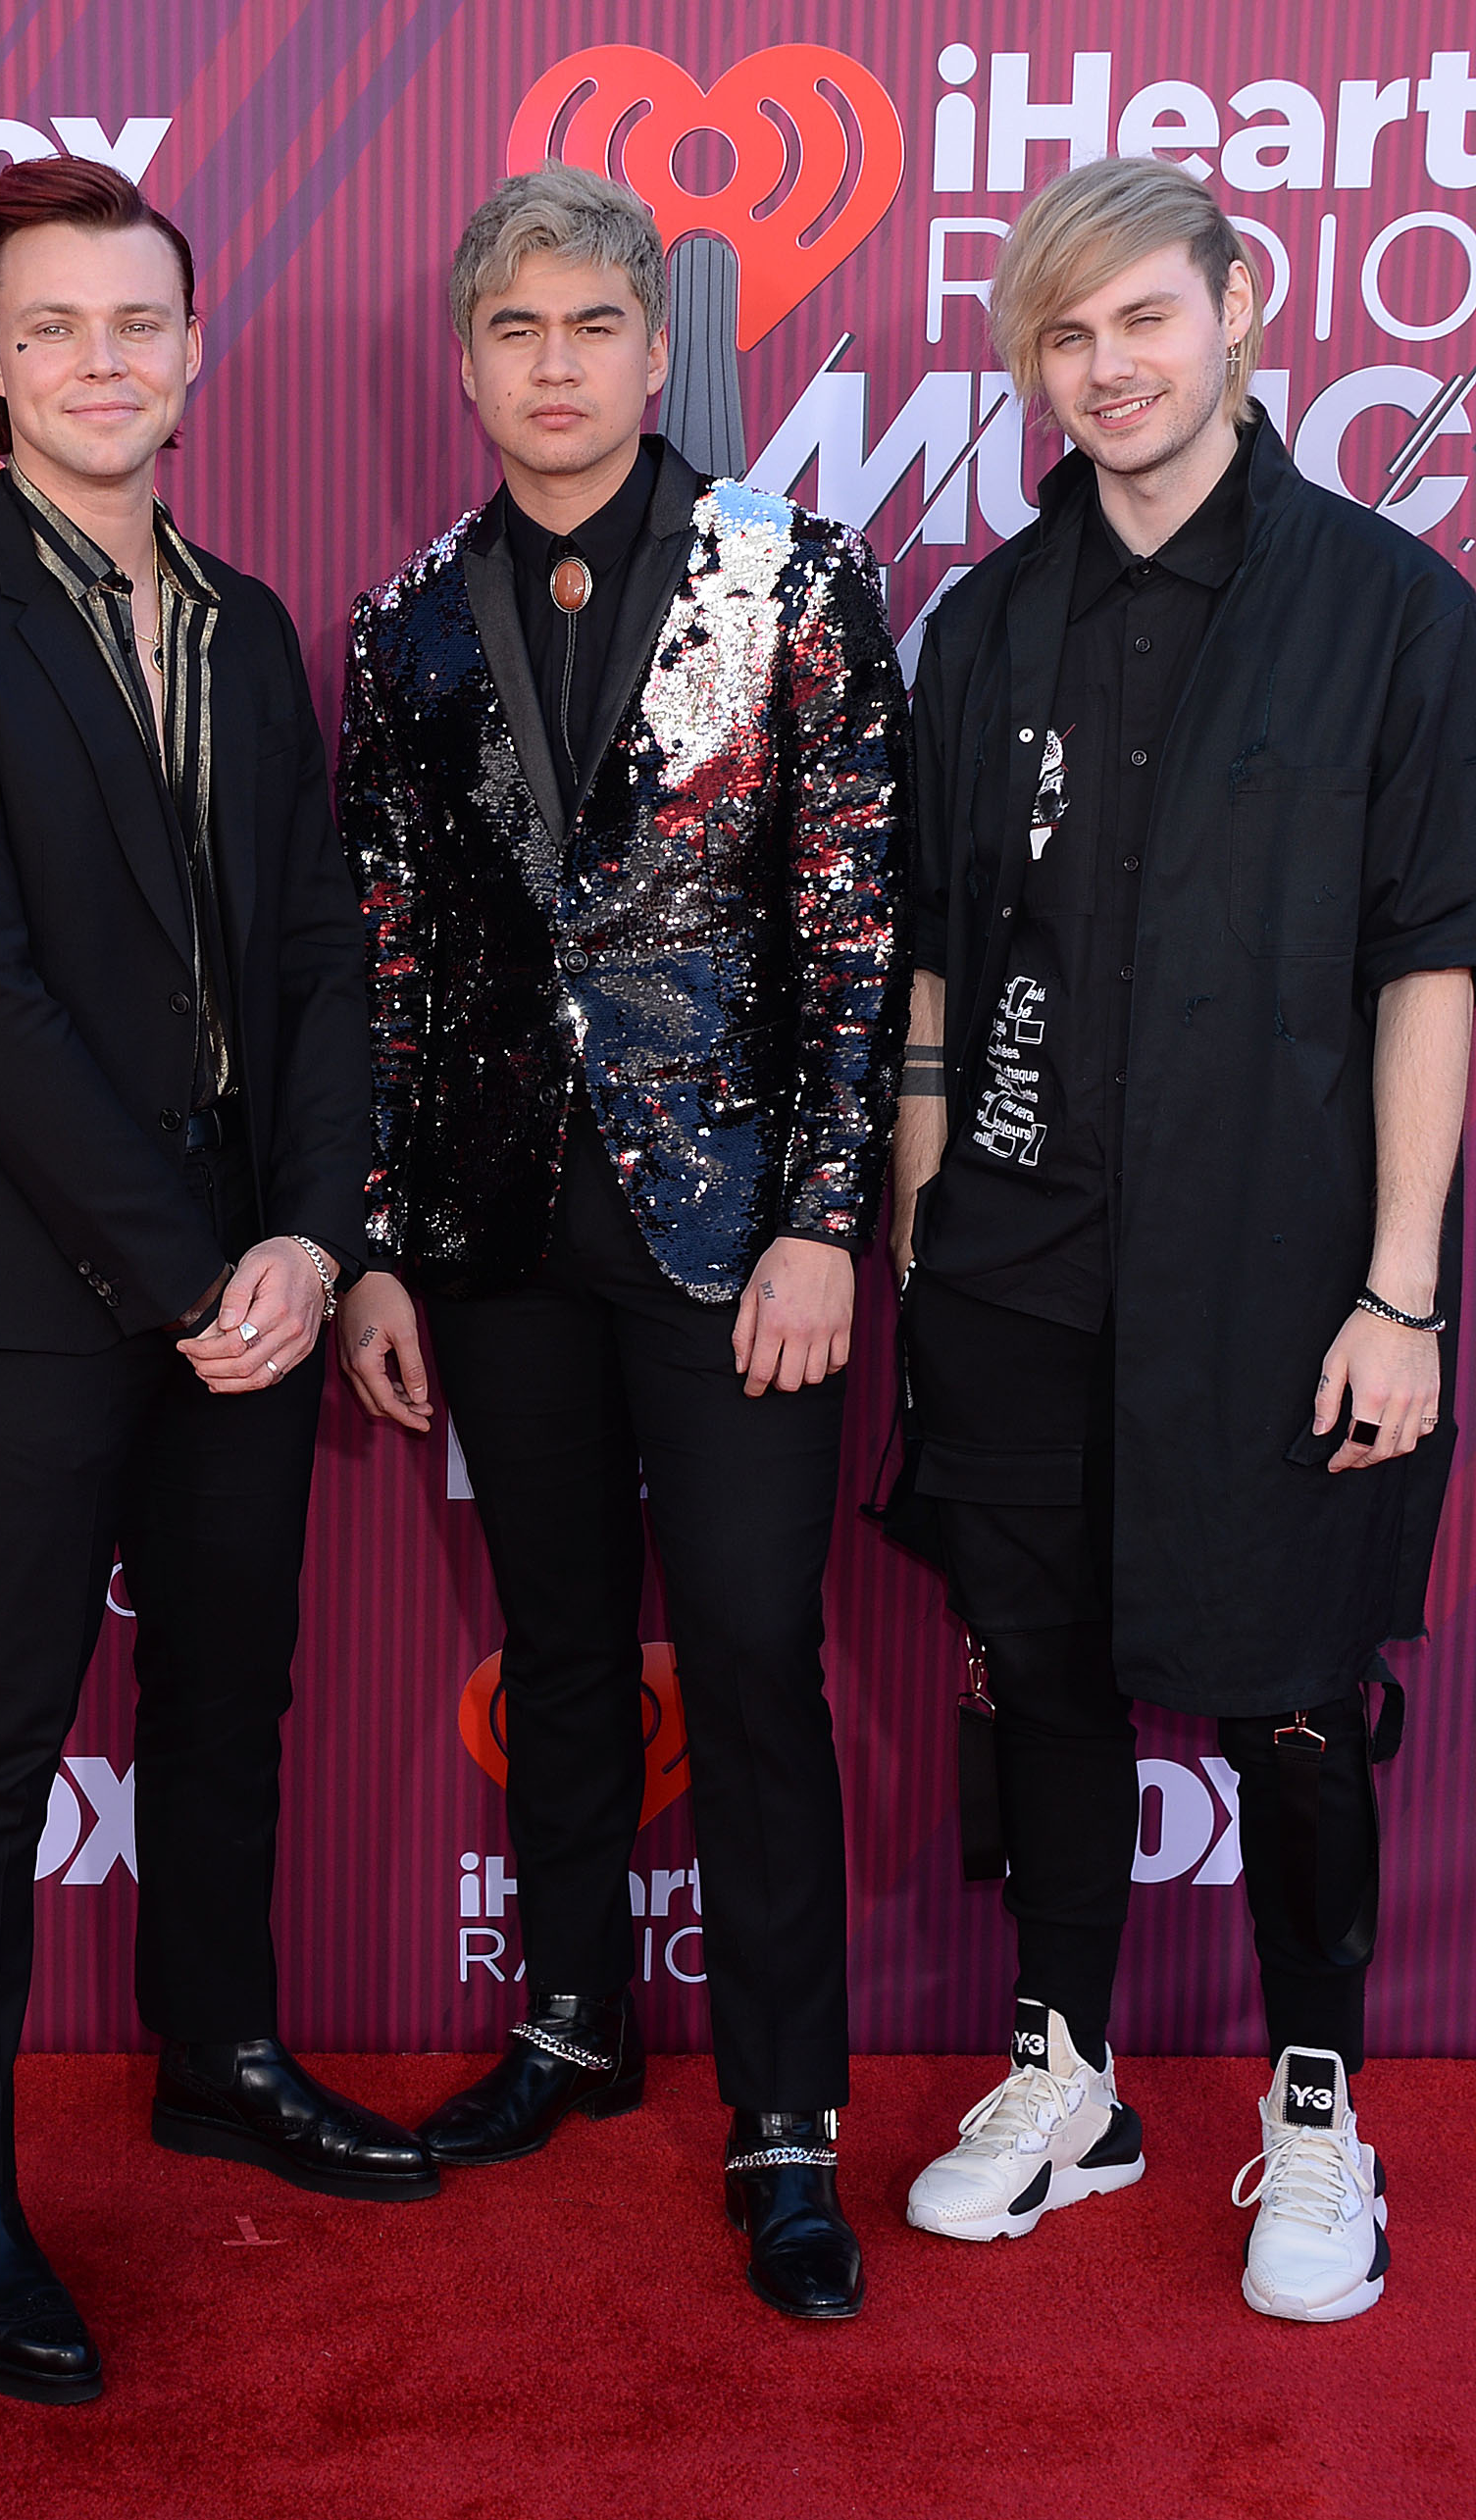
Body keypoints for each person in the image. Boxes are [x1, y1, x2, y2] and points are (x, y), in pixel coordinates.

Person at [0, 156, 430, 2409]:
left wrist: (313, 1235)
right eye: (52, 324)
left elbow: (319, 956)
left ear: (190, 351)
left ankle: (220, 2056)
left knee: (229, 1691)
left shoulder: (251, 628)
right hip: (18, 1280)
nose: (99, 359)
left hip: (246, 1272)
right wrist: (194, 1276)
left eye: (136, 321)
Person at [890, 155, 1475, 2325]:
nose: (1106, 367)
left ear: (1241, 306)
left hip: (1285, 1277)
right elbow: (934, 969)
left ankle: (1319, 2104)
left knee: (1296, 1696)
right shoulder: (982, 627)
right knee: (1040, 1674)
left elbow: (1432, 959)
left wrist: (1402, 1286)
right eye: (1064, 335)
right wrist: (926, 1237)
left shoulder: (1392, 611)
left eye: (1143, 315)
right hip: (1018, 1265)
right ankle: (1071, 2077)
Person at [337, 166, 908, 2321]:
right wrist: (379, 1241)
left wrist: (827, 1220)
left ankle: (787, 2121)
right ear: (468, 362)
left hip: (735, 1226)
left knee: (751, 1654)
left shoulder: (795, 576)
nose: (556, 365)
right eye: (518, 330)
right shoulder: (405, 621)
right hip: (499, 1230)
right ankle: (572, 2020)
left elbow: (854, 933)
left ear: (658, 352)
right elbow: (391, 955)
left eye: (593, 325)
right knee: (560, 1642)